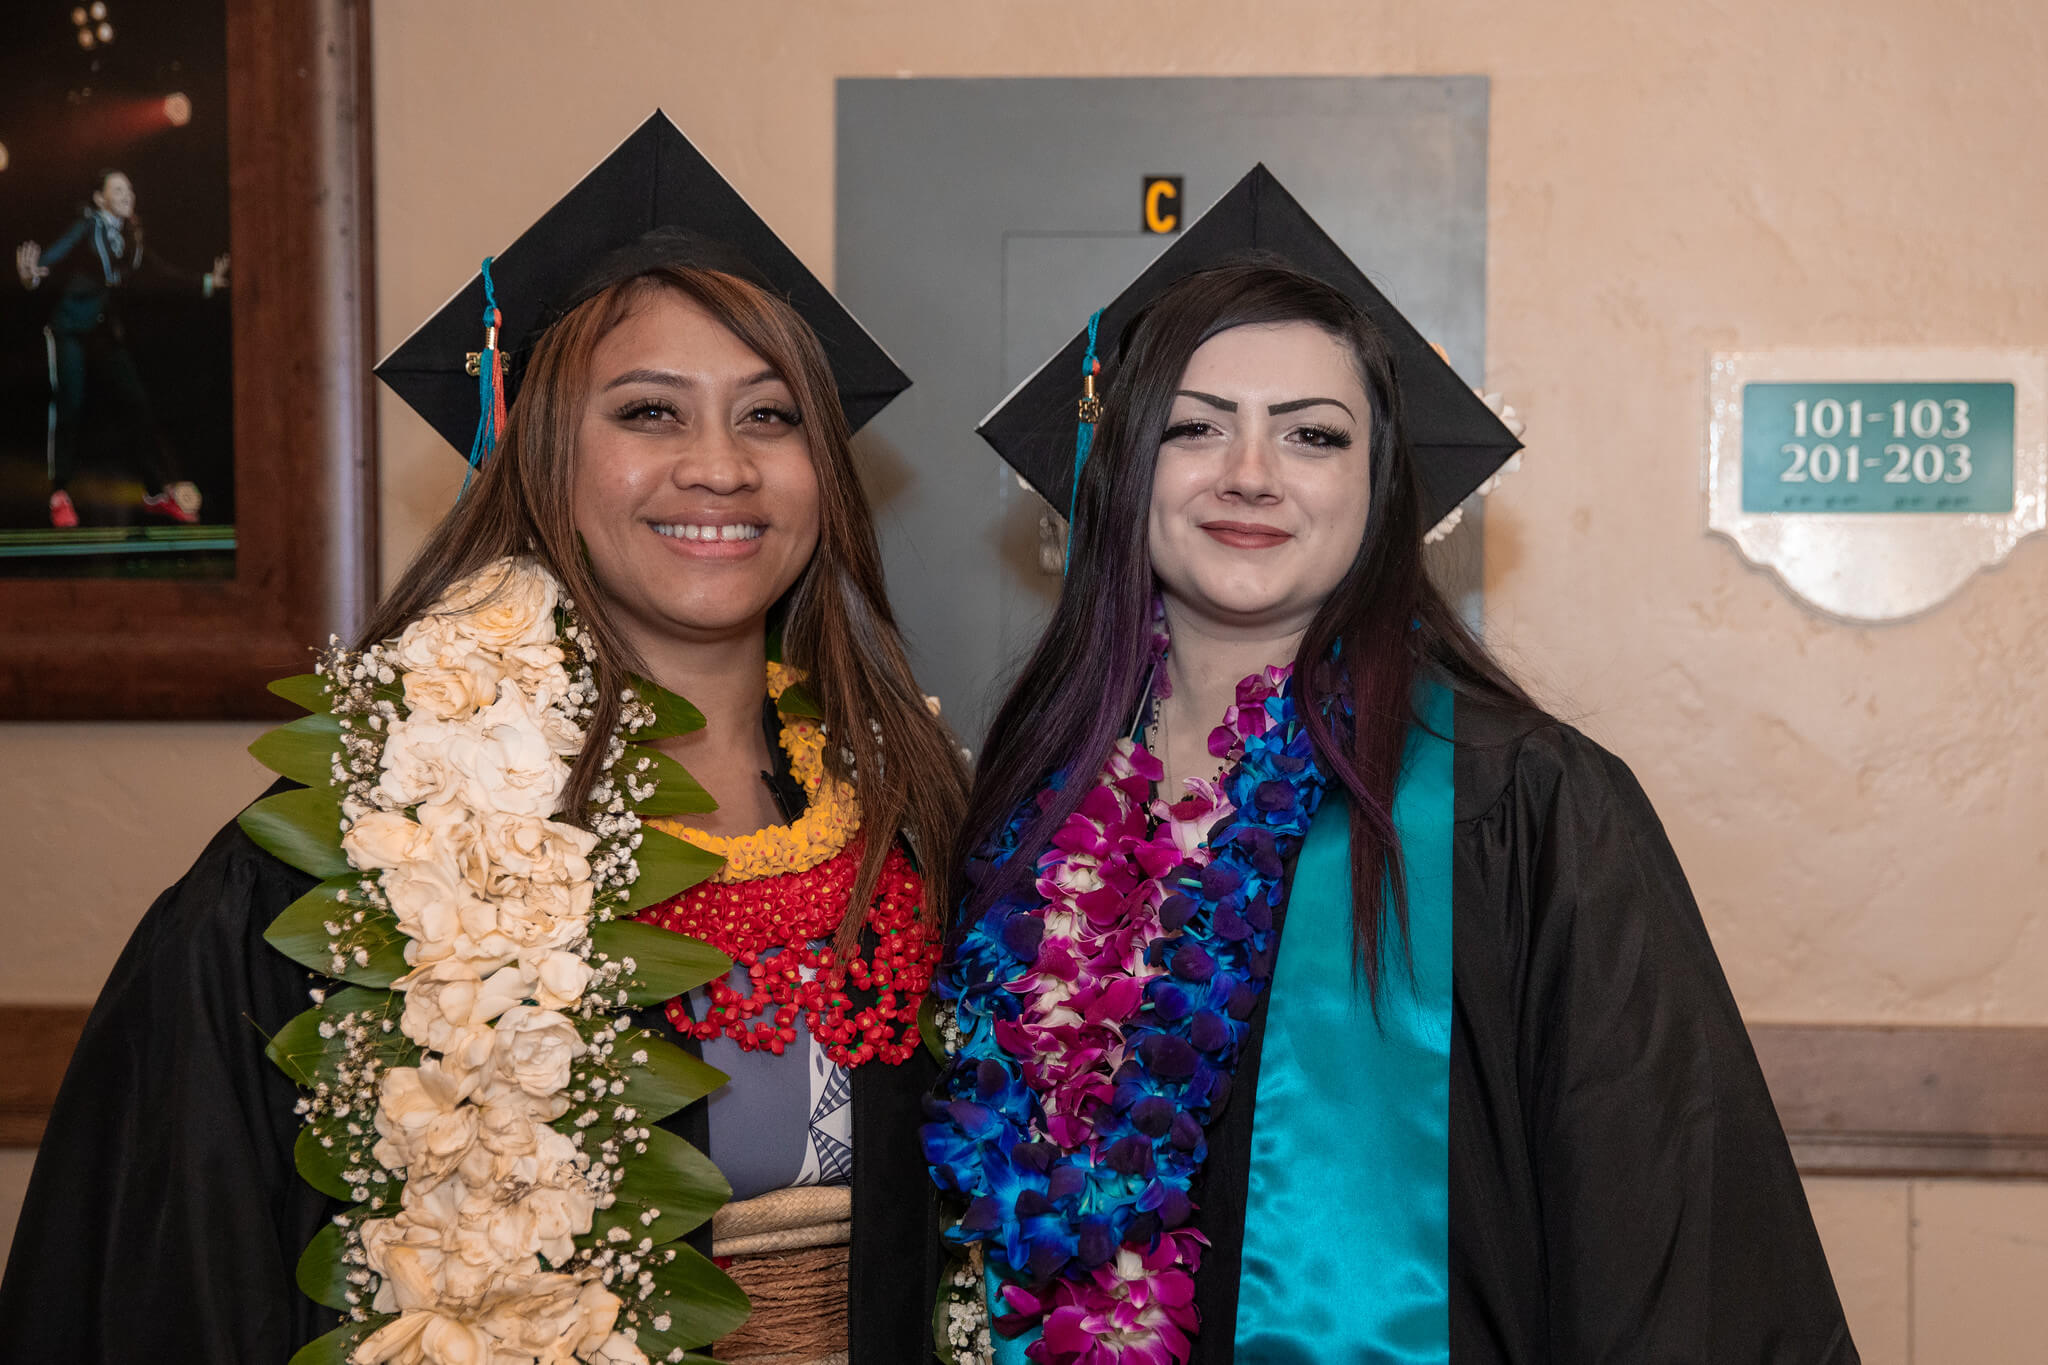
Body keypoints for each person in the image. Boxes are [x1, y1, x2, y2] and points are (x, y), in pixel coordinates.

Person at [0, 113, 965, 1365]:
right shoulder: (371, 851)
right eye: (650, 413)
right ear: (535, 444)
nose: (719, 468)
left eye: (770, 416)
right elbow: (178, 1270)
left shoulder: (918, 808)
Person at [922, 166, 1857, 1365]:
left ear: (1375, 492)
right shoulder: (1023, 804)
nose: (1248, 473)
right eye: (1193, 426)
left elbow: (1666, 1239)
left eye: (1311, 435)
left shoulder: (1522, 806)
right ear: (1119, 474)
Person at [16, 168, 228, 528]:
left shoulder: (131, 238)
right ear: (101, 199)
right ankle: (60, 495)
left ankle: (154, 494)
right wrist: (33, 274)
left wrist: (206, 281)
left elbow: (159, 271)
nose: (127, 194)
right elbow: (54, 254)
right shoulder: (88, 226)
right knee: (70, 403)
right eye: (118, 189)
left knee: (137, 405)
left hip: (103, 333)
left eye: (129, 188)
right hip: (69, 329)